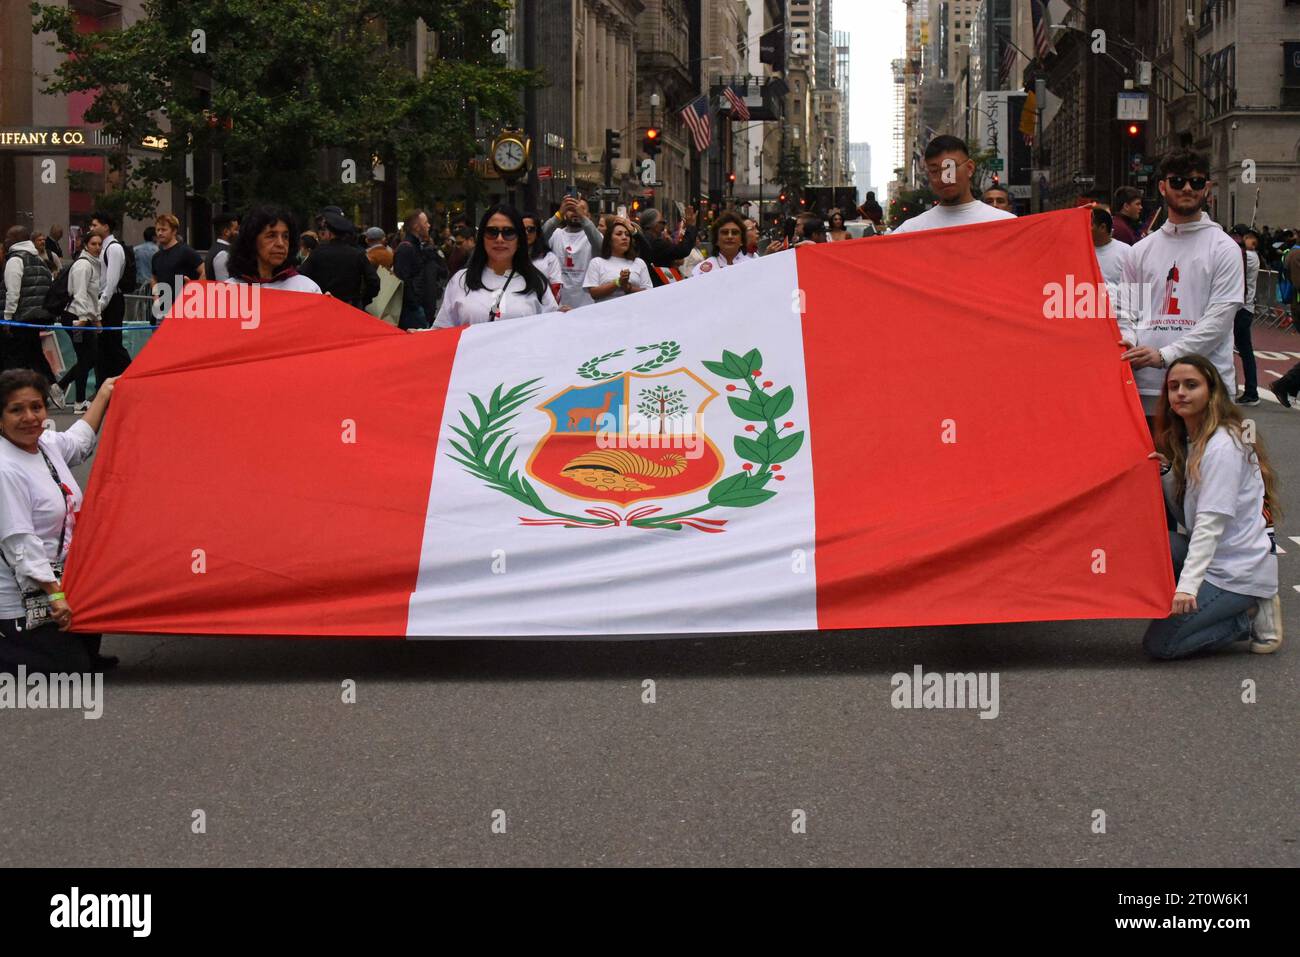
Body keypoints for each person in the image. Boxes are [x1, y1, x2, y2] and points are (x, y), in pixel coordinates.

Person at [1143, 355, 1281, 658]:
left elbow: (1209, 525)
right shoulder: (1193, 438)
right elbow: (1189, 519)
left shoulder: (1223, 446)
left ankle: (1246, 615)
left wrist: (1187, 588)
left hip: (1235, 572)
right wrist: (1167, 475)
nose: (1180, 393)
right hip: (1218, 557)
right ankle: (1220, 607)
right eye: (1173, 386)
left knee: (1161, 645)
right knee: (1154, 543)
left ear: (1212, 391)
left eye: (1191, 385)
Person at [0, 368, 120, 674]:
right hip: (21, 595)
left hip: (63, 579)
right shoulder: (5, 468)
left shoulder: (45, 444)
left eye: (36, 407)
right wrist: (54, 593)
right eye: (16, 410)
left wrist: (105, 392)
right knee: (74, 671)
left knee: (87, 656)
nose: (29, 417)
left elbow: (78, 442)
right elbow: (20, 544)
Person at [1118, 150, 1243, 419]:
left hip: (1206, 388)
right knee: (1151, 462)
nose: (1187, 188)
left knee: (1205, 462)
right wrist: (1128, 341)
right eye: (1177, 182)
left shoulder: (1224, 249)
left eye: (1196, 182)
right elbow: (1125, 312)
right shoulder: (1139, 251)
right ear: (1162, 187)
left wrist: (1164, 355)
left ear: (1207, 189)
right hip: (1147, 389)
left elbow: (1218, 322)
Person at [434, 204, 559, 327]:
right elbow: (441, 332)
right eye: (492, 232)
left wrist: (565, 319)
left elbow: (551, 331)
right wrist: (417, 336)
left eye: (508, 232)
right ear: (482, 238)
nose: (499, 239)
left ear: (519, 239)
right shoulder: (460, 281)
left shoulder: (537, 283)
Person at [890, 136, 1016, 234]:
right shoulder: (911, 230)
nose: (945, 178)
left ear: (970, 168)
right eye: (935, 171)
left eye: (951, 168)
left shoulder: (1008, 225)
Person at [1, 226, 63, 405]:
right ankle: (52, 386)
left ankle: (9, 395)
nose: (5, 240)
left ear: (17, 239)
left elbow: (13, 292)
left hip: (22, 318)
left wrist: (7, 318)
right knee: (35, 354)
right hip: (38, 316)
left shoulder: (16, 260)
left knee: (14, 358)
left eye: (8, 236)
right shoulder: (39, 260)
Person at [223, 206, 322, 292]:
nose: (280, 243)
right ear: (252, 240)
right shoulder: (229, 291)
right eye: (271, 236)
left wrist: (327, 308)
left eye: (285, 236)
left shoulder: (306, 289)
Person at [57, 231, 102, 413]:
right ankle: (78, 400)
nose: (97, 248)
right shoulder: (83, 266)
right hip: (76, 318)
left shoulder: (92, 264)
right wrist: (84, 318)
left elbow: (93, 295)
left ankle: (63, 388)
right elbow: (80, 294)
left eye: (100, 244)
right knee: (87, 358)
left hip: (83, 317)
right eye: (93, 244)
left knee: (88, 358)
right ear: (85, 245)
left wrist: (97, 318)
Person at [88, 211, 134, 385]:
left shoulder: (113, 248)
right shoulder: (102, 247)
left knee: (113, 344)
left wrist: (101, 304)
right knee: (103, 347)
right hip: (104, 300)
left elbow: (111, 281)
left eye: (95, 225)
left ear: (106, 227)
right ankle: (104, 386)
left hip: (111, 301)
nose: (91, 228)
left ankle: (132, 378)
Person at [299, 210, 379, 310]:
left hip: (323, 307)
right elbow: (374, 282)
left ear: (329, 233)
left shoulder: (318, 253)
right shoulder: (357, 254)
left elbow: (301, 277)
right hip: (350, 308)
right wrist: (362, 300)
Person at [542, 195, 602, 308]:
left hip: (587, 305)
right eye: (571, 209)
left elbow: (600, 246)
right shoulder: (556, 234)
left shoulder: (594, 236)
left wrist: (582, 217)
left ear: (588, 215)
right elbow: (539, 239)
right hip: (559, 306)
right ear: (564, 215)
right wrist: (557, 215)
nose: (575, 211)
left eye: (581, 208)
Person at [393, 209, 449, 330]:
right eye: (426, 223)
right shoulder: (406, 249)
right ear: (416, 227)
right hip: (413, 310)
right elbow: (403, 280)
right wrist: (415, 306)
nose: (429, 225)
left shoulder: (417, 247)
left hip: (419, 307)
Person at [1229, 224, 1261, 406]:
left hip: (1243, 309)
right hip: (1244, 309)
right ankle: (1250, 390)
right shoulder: (1248, 255)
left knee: (1243, 350)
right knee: (1245, 351)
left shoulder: (1248, 257)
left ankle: (1250, 391)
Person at [584, 217, 652, 299]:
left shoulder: (639, 263)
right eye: (619, 234)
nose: (624, 238)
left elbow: (649, 293)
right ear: (609, 240)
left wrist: (628, 288)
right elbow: (593, 293)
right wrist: (618, 282)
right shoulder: (597, 262)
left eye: (627, 235)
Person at [633, 205, 699, 287]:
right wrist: (691, 226)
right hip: (657, 285)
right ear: (652, 225)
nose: (664, 226)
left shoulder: (645, 239)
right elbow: (683, 250)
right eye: (662, 222)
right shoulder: (655, 242)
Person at [150, 212, 205, 307]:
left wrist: (194, 291)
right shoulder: (156, 256)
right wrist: (155, 294)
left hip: (183, 308)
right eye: (158, 230)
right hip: (162, 309)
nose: (160, 233)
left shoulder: (186, 251)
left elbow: (204, 271)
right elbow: (154, 278)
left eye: (164, 230)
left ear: (174, 231)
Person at [1090, 206, 1131, 305]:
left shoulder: (1126, 252)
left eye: (1089, 225)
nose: (1084, 228)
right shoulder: (1081, 252)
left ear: (1102, 227)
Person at [522, 212, 563, 305]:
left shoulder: (549, 258)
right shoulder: (509, 257)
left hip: (544, 312)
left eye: (530, 229)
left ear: (537, 233)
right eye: (522, 229)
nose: (526, 233)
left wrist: (552, 310)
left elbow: (556, 287)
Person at [205, 212, 239, 282]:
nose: (238, 233)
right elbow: (224, 286)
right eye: (236, 229)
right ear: (226, 232)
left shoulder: (219, 249)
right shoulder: (223, 254)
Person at [132, 226, 158, 295]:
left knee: (139, 302)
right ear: (153, 237)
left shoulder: (135, 250)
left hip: (139, 283)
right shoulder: (157, 251)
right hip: (153, 284)